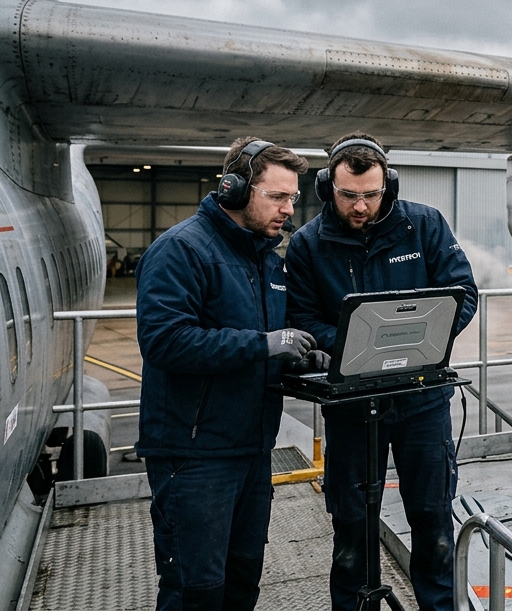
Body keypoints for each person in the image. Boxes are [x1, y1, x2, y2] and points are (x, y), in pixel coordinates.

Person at [285, 133, 477, 611]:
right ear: (328, 185)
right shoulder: (309, 245)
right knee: (351, 531)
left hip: (422, 402)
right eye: (349, 195)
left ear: (387, 184)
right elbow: (303, 320)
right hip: (351, 408)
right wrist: (359, 344)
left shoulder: (424, 225)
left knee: (433, 525)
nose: (361, 206)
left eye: (371, 194)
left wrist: (417, 341)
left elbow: (464, 295)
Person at [137, 138, 318, 610]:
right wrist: (265, 344)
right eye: (277, 197)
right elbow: (164, 341)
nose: (287, 209)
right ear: (235, 189)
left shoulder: (267, 261)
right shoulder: (181, 250)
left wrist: (298, 358)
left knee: (241, 587)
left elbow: (266, 344)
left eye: (292, 198)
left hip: (253, 450)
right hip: (194, 455)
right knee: (194, 592)